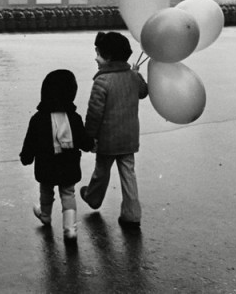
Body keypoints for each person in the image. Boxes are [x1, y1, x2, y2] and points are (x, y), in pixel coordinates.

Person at [80, 32, 148, 230]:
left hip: (107, 140)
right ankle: (132, 213)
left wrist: (88, 137)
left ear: (108, 58)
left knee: (101, 171)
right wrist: (137, 74)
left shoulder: (102, 81)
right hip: (129, 138)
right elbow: (143, 92)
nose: (95, 58)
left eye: (98, 54)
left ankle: (93, 198)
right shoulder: (132, 77)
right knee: (128, 175)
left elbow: (94, 114)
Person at [20, 70, 94, 241]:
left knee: (46, 189)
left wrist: (26, 157)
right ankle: (70, 229)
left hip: (46, 165)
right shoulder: (74, 118)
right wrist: (90, 145)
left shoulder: (38, 118)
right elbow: (84, 140)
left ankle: (45, 215)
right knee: (68, 193)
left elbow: (30, 141)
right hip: (69, 165)